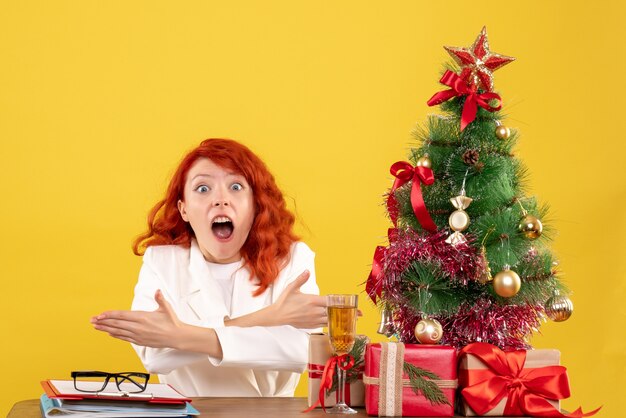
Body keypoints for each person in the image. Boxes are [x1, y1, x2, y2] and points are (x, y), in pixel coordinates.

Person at [91, 138, 327, 397]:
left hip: (271, 413)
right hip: (188, 411)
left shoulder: (291, 258)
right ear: (184, 210)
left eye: (236, 186)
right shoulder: (161, 261)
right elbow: (155, 357)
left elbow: (302, 353)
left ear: (255, 205)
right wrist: (269, 318)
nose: (220, 200)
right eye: (203, 189)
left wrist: (180, 336)